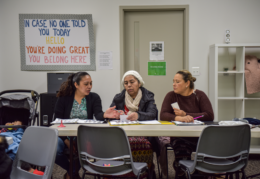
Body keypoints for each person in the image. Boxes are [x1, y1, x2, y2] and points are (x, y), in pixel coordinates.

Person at [54, 72, 118, 179]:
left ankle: (71, 174)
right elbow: (57, 120)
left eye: (91, 84)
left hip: (84, 136)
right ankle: (73, 172)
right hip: (64, 136)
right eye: (86, 84)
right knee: (54, 150)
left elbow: (98, 115)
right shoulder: (64, 98)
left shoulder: (94, 97)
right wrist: (66, 141)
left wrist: (104, 114)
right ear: (76, 85)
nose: (89, 87)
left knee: (86, 150)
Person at [159, 70, 214, 177]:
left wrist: (187, 115)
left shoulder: (199, 95)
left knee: (210, 153)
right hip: (180, 137)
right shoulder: (171, 96)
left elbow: (209, 115)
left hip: (200, 137)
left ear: (187, 83)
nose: (173, 84)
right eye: (173, 81)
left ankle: (201, 172)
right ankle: (182, 172)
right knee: (181, 152)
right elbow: (163, 115)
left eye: (177, 81)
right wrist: (178, 118)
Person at [110, 70, 157, 178]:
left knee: (140, 142)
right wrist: (115, 114)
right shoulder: (119, 97)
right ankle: (123, 170)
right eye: (126, 83)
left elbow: (152, 114)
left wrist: (138, 115)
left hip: (144, 134)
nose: (129, 85)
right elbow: (110, 114)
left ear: (139, 83)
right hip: (123, 133)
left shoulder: (148, 96)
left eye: (132, 82)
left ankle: (145, 169)